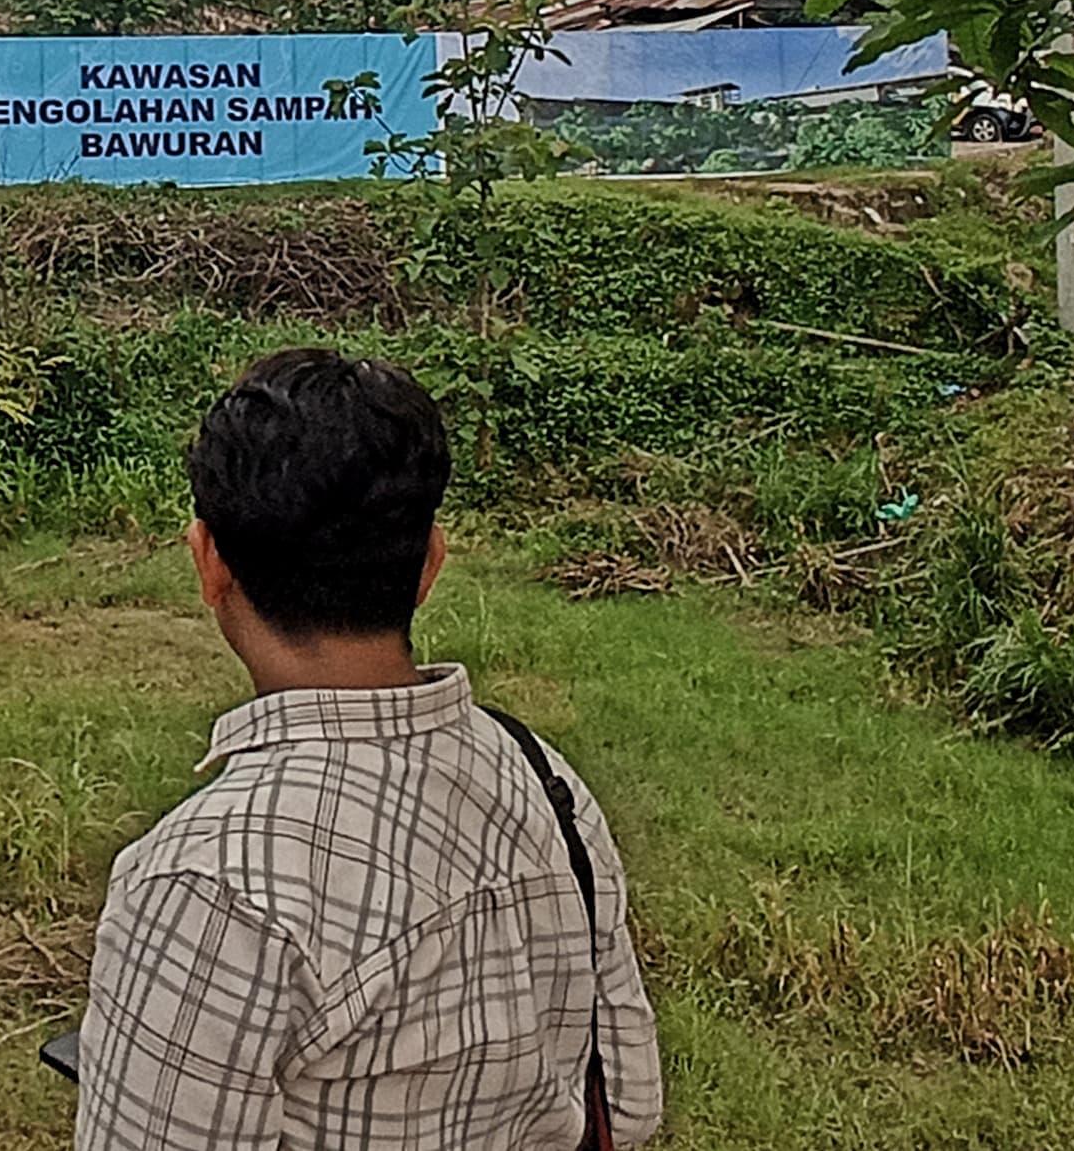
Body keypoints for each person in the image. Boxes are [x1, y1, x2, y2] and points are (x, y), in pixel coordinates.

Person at [75, 348, 661, 1150]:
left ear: (207, 563)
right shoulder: (541, 778)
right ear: (429, 566)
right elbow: (624, 1103)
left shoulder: (207, 884)